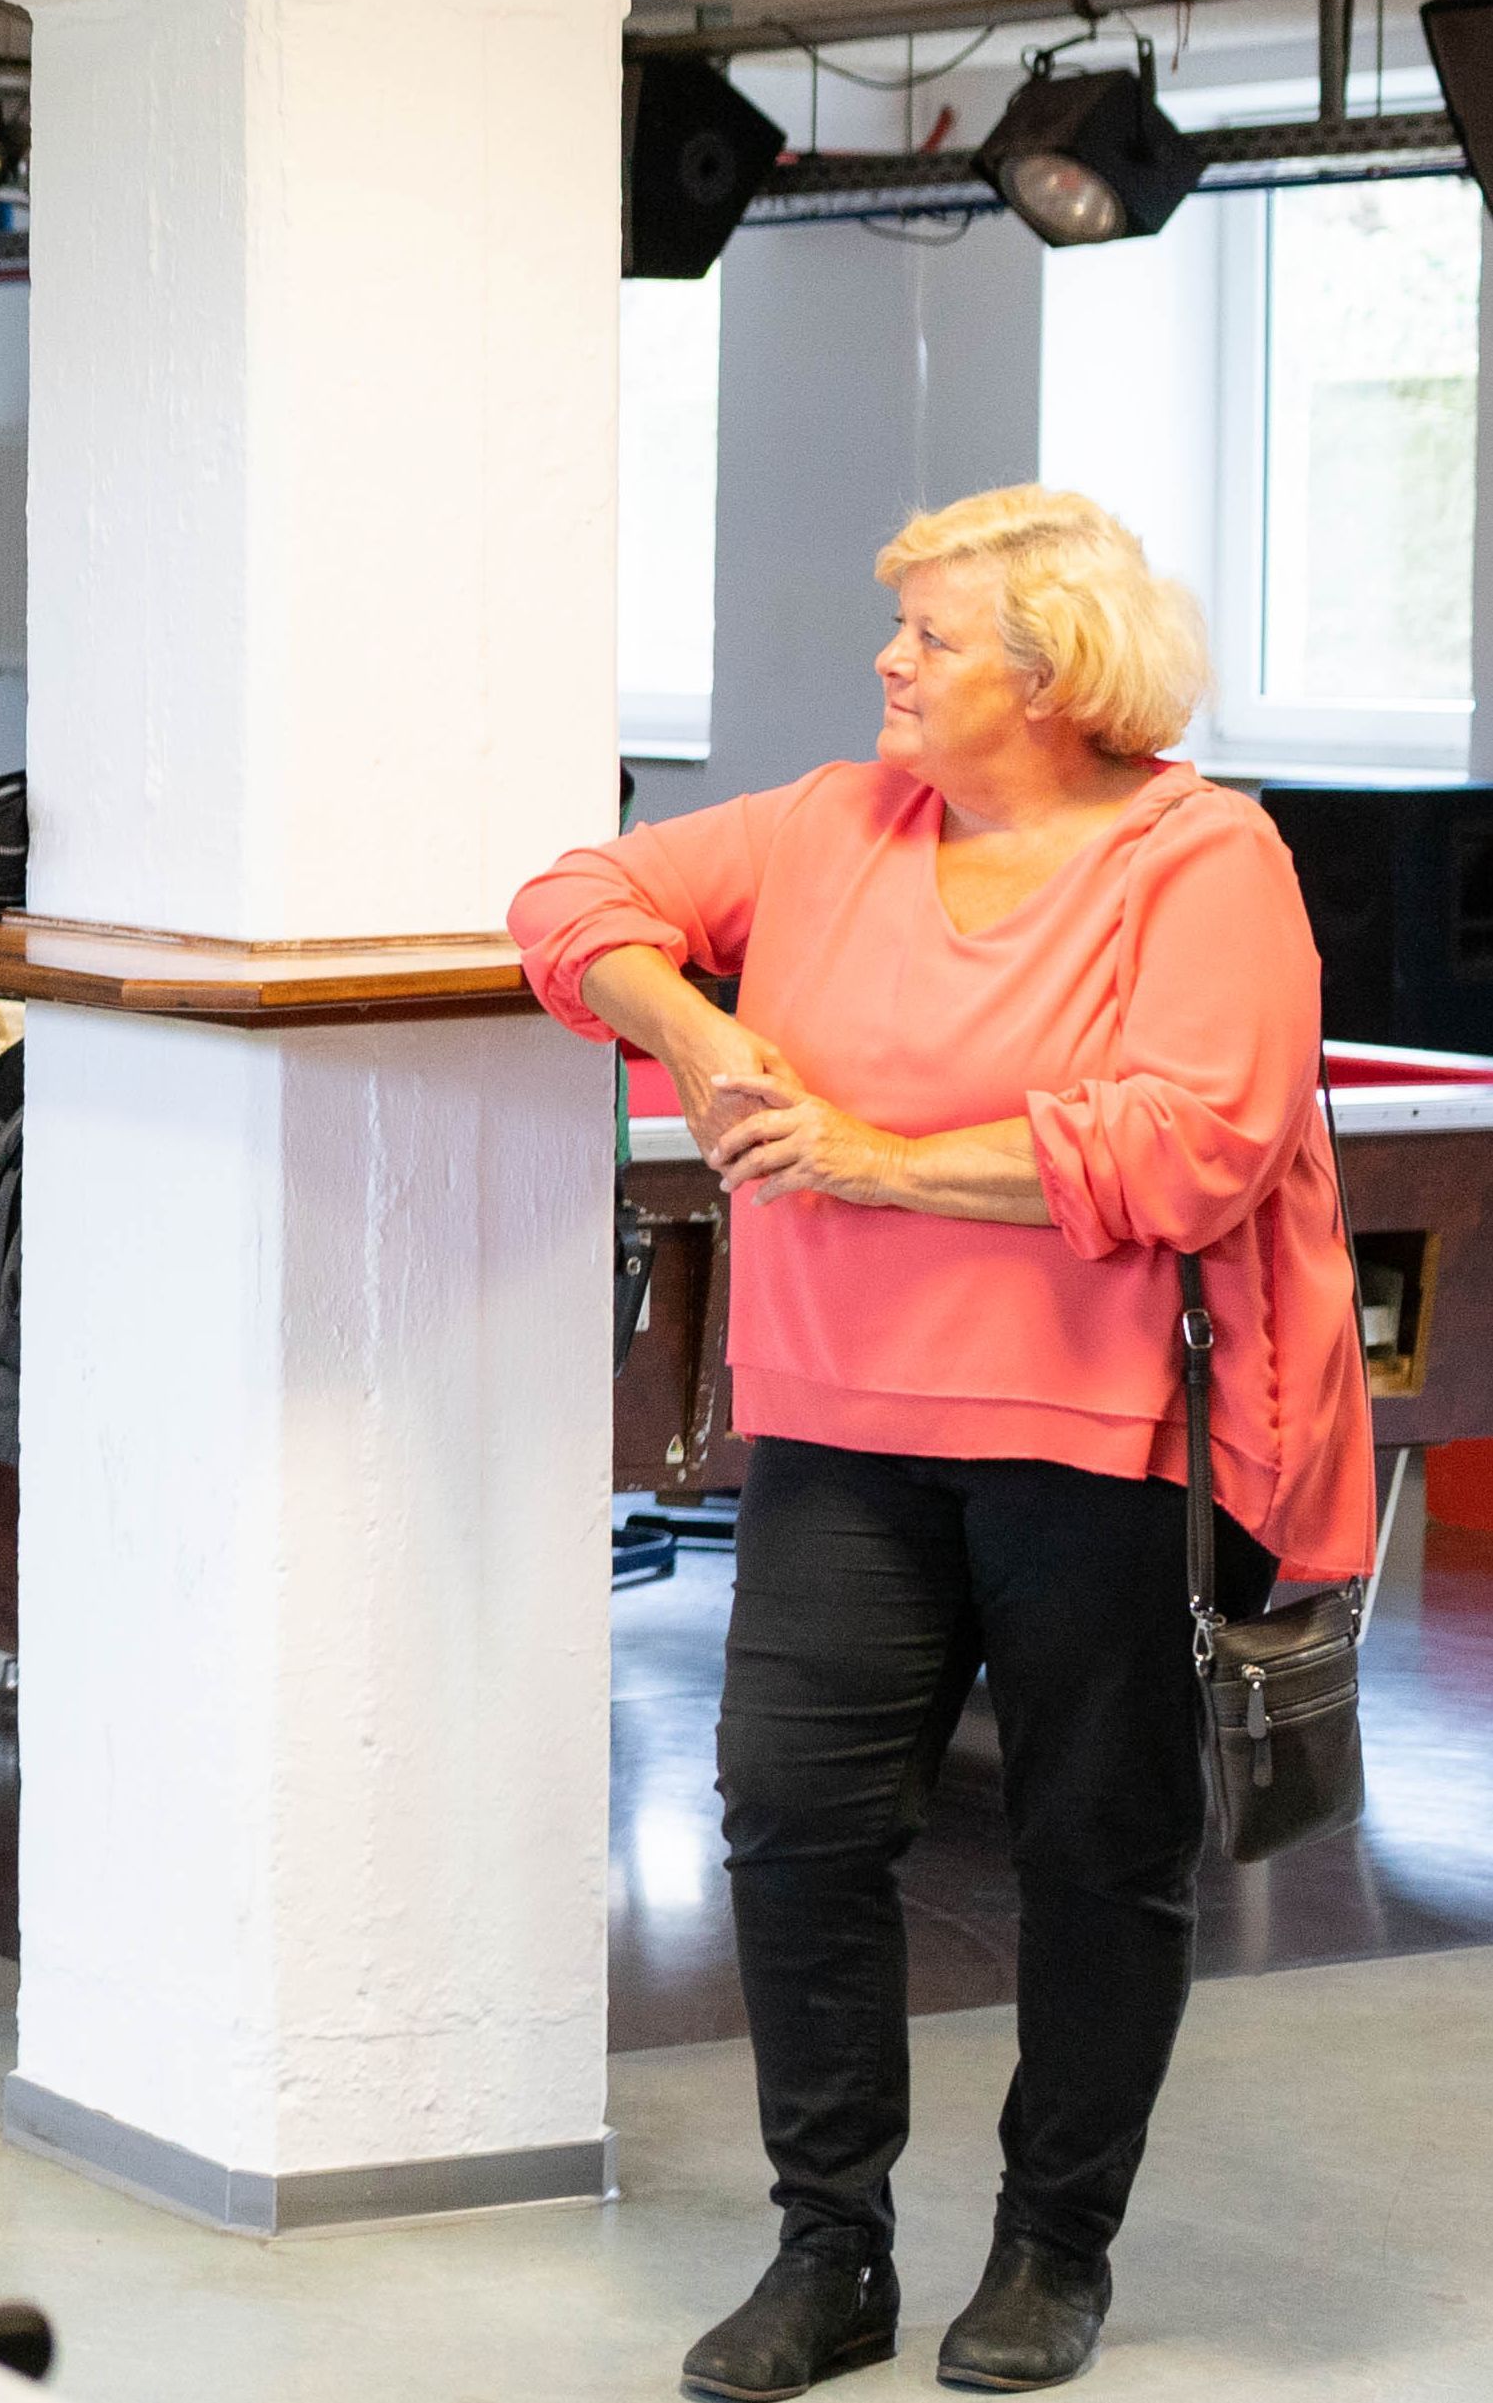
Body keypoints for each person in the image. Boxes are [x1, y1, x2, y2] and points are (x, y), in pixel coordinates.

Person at [510, 485, 1372, 2399]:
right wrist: (706, 1041)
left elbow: (1186, 1142)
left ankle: (1053, 2250)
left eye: (928, 636)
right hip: (840, 1423)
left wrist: (878, 1158)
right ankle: (833, 2249)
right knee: (792, 1823)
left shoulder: (1199, 857)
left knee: (1096, 1847)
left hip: (1113, 1439)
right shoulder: (832, 821)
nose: (886, 662)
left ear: (1052, 676)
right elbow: (569, 903)